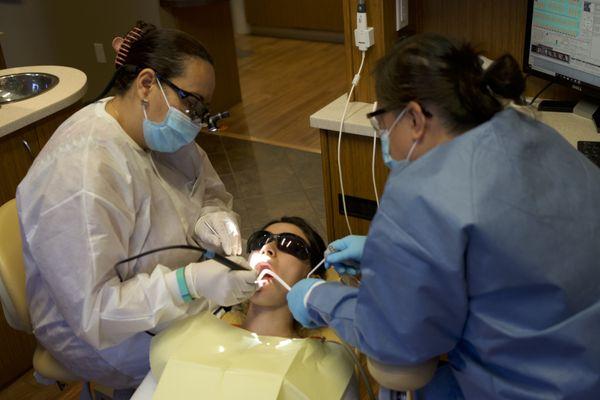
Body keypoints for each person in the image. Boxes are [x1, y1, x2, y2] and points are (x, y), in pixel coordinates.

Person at [286, 33, 600, 399]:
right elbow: (512, 258)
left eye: (383, 126)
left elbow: (397, 341)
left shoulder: (421, 193)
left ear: (415, 117)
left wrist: (319, 298)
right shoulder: (538, 136)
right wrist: (384, 255)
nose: (385, 139)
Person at [16, 21, 257, 391]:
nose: (194, 119)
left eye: (201, 108)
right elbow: (97, 311)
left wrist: (214, 219)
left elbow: (208, 190)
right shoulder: (83, 173)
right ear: (146, 84)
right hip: (103, 335)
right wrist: (187, 283)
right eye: (190, 102)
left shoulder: (159, 131)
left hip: (164, 300)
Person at [131, 217, 359, 399]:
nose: (268, 248)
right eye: (260, 240)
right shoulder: (191, 334)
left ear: (313, 276)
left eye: (290, 245)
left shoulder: (324, 368)